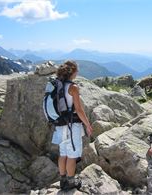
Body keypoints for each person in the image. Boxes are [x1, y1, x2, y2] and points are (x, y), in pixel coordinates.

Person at [51, 60, 93, 191]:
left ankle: (63, 179)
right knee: (72, 155)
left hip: (60, 125)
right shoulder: (73, 87)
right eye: (76, 70)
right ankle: (70, 181)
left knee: (63, 153)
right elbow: (79, 110)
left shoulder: (57, 85)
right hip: (72, 125)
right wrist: (88, 125)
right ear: (72, 72)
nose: (78, 72)